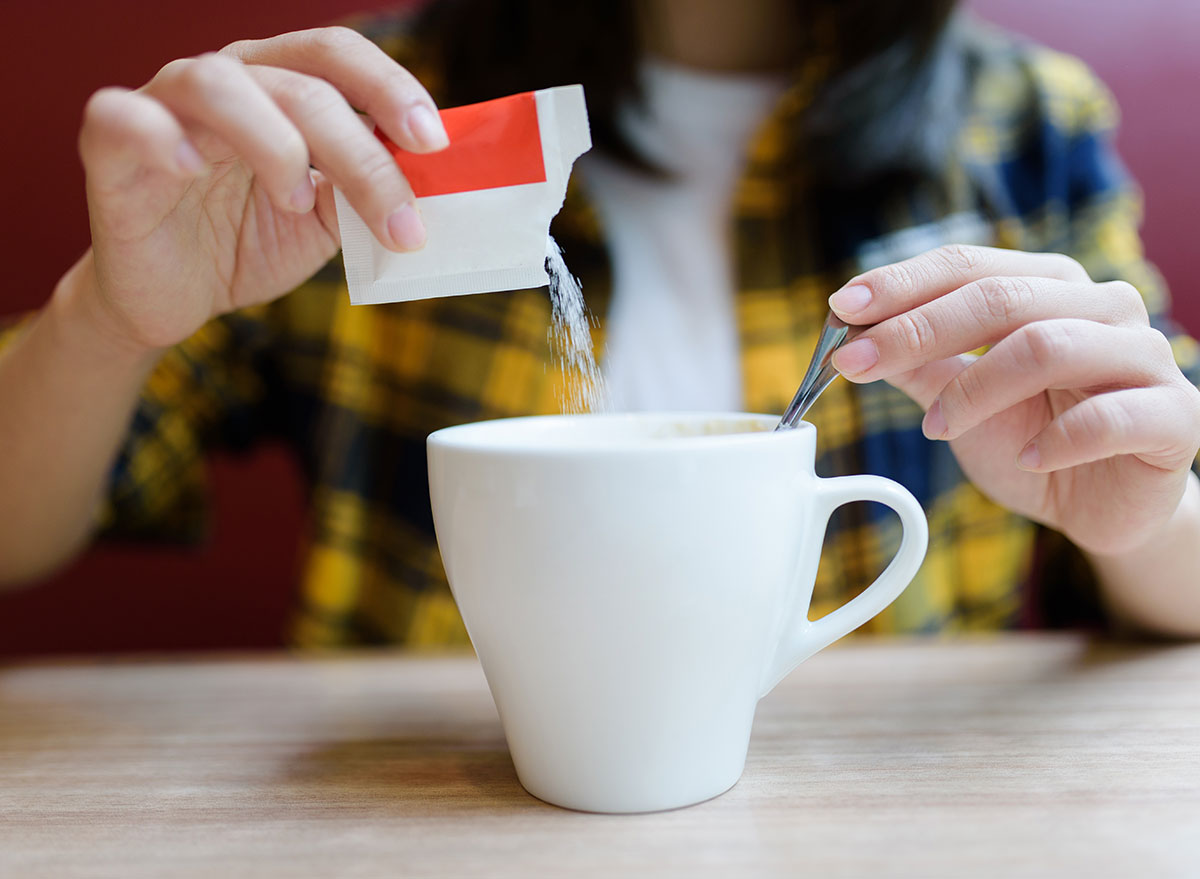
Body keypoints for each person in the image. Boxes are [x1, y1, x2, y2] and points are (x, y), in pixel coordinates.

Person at [1, 0, 1198, 646]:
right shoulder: (351, 133)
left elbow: (1168, 514)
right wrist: (109, 315)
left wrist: (1145, 512)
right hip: (411, 814)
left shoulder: (1020, 121)